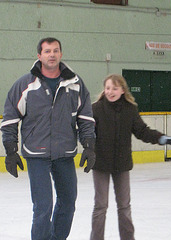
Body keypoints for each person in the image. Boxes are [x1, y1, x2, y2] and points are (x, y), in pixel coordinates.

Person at [1, 37, 96, 240]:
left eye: (55, 50)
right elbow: (10, 119)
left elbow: (85, 118)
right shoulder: (25, 84)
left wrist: (89, 145)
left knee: (68, 203)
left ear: (61, 54)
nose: (51, 54)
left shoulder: (76, 84)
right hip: (37, 153)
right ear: (39, 56)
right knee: (43, 207)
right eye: (47, 51)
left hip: (64, 153)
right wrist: (11, 150)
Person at [90, 74, 171, 240]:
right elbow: (87, 132)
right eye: (108, 88)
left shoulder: (130, 109)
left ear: (122, 90)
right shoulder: (96, 109)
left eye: (115, 88)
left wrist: (161, 137)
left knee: (124, 206)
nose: (110, 92)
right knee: (100, 206)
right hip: (101, 163)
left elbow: (142, 131)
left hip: (122, 164)